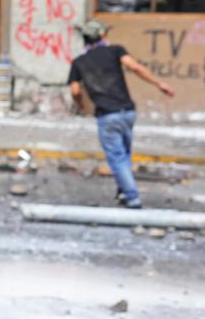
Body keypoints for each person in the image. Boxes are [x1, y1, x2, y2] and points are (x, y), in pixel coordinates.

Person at [68, 20, 174, 209]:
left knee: (117, 158)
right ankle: (123, 191)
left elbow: (75, 91)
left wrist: (81, 107)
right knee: (124, 155)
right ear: (102, 36)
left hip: (106, 116)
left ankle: (132, 198)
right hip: (127, 112)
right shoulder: (115, 51)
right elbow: (135, 67)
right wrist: (160, 84)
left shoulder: (79, 62)